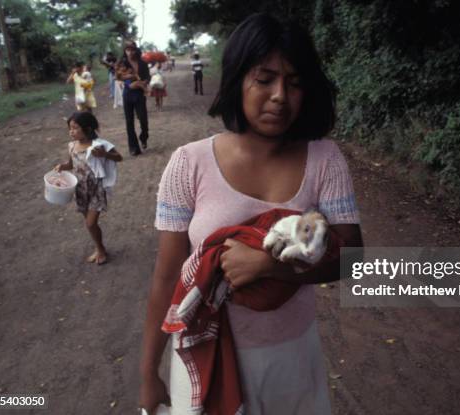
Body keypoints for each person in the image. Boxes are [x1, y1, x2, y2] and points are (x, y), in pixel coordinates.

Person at [139, 13, 363, 415]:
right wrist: (146, 374)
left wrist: (270, 266)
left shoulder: (325, 160)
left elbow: (353, 256)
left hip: (290, 359)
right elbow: (168, 275)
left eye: (294, 83)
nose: (280, 95)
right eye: (265, 79)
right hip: (202, 353)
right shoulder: (188, 163)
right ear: (237, 79)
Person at [54, 112, 122, 265]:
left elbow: (119, 157)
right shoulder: (72, 146)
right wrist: (62, 166)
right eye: (69, 128)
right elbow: (71, 164)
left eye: (75, 128)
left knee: (90, 223)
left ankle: (101, 249)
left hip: (96, 189)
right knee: (91, 224)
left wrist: (105, 154)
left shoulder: (98, 145)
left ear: (88, 128)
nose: (71, 131)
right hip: (81, 190)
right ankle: (100, 248)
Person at [117, 40, 150, 156]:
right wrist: (129, 84)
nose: (130, 52)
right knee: (129, 121)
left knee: (143, 119)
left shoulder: (142, 63)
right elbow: (119, 77)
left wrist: (143, 83)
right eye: (127, 50)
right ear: (125, 51)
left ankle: (144, 137)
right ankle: (133, 147)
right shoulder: (122, 63)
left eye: (132, 50)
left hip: (140, 94)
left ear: (136, 50)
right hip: (128, 94)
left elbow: (147, 77)